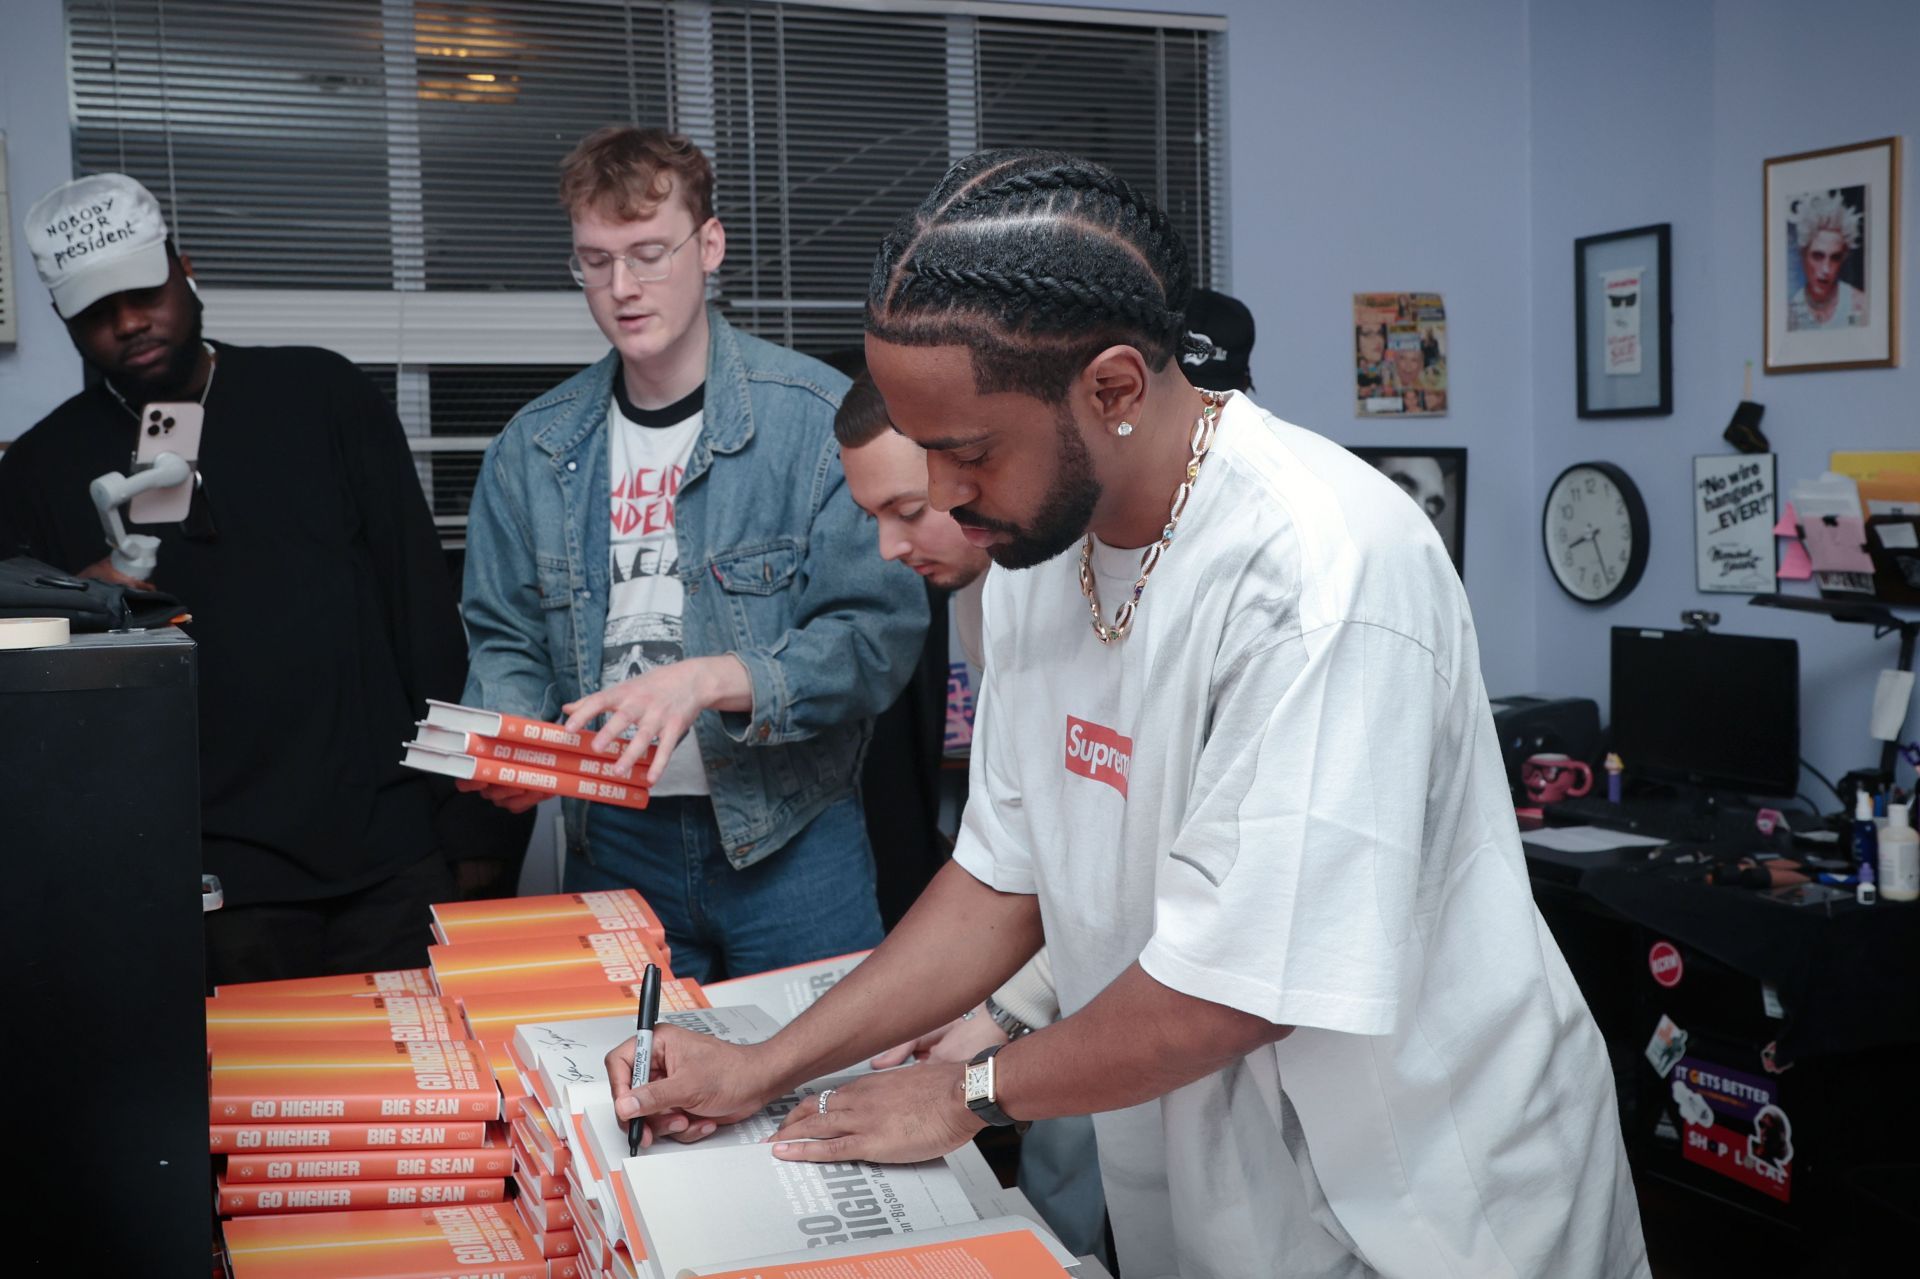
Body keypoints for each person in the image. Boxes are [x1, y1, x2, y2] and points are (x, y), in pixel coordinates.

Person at [603, 149, 1647, 1278]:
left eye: (966, 453)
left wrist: (968, 1094)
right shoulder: (1040, 553)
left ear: (1111, 389)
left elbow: (1234, 989)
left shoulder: (1322, 571)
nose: (945, 499)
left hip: (1428, 1201)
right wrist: (763, 1065)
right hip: (1205, 1172)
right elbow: (1001, 880)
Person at [0, 173, 530, 987]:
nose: (129, 323)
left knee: (431, 1105)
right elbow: (18, 675)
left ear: (187, 267)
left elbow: (420, 607)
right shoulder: (39, 470)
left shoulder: (321, 394)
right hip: (200, 883)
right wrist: (78, 603)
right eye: (95, 312)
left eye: (144, 292)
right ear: (64, 319)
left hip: (390, 855)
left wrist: (474, 834)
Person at [458, 127, 926, 982]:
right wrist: (515, 740)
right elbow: (506, 636)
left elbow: (874, 638)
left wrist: (712, 677)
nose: (622, 288)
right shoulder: (532, 448)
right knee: (628, 1101)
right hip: (614, 841)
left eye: (647, 253)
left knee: (824, 1100)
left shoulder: (816, 420)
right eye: (594, 262)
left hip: (794, 838)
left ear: (709, 245)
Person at [835, 371, 1107, 1260]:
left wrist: (1002, 1017)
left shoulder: (1077, 588)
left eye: (908, 509)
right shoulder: (989, 600)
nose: (887, 547)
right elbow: (1018, 854)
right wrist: (979, 1001)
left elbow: (1119, 863)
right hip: (1080, 970)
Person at [1787, 189, 1868, 331]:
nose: (1826, 269)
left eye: (1835, 258)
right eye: (1817, 256)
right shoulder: (1790, 311)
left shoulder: (1860, 305)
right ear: (1803, 255)